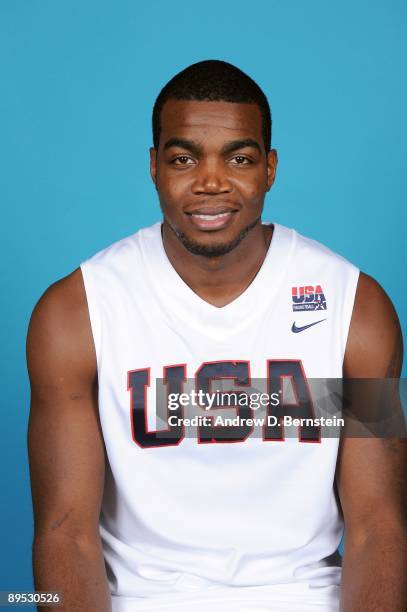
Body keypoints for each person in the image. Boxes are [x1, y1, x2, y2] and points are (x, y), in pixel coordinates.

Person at [27, 60, 406, 612]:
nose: (210, 181)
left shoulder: (353, 308)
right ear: (154, 167)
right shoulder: (77, 312)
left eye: (240, 158)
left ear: (270, 169)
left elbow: (379, 526)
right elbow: (65, 532)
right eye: (184, 159)